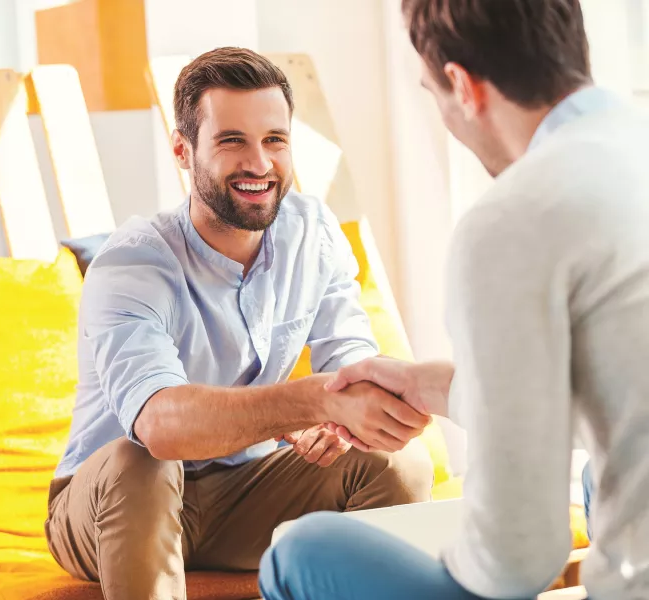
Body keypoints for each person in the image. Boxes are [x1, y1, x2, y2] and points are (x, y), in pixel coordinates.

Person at [260, 1, 649, 599]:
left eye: (432, 92)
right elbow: (625, 398)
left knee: (298, 552)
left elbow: (517, 560)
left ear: (463, 87)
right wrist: (437, 388)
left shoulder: (512, 218)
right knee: (606, 469)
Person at [44, 47, 435, 600]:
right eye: (233, 142)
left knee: (394, 461)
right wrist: (314, 401)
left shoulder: (313, 233)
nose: (260, 164)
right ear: (184, 150)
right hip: (110, 505)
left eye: (275, 140)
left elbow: (350, 359)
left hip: (242, 491)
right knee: (146, 462)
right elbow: (159, 426)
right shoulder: (133, 262)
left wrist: (345, 418)